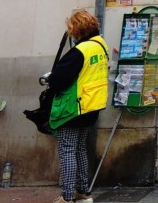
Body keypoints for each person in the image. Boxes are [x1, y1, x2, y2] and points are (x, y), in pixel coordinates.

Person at [48, 10, 109, 203]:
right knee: (80, 149)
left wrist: (52, 79)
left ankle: (67, 197)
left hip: (75, 106)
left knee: (67, 150)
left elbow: (58, 79)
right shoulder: (101, 45)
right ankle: (84, 192)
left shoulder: (80, 51)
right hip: (93, 105)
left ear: (77, 30)